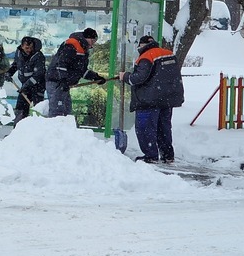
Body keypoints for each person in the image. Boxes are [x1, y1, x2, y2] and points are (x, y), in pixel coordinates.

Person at [117, 35, 185, 164]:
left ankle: (151, 155)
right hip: (167, 99)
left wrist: (125, 76)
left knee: (145, 128)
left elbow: (139, 78)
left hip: (149, 100)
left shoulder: (146, 56)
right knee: (163, 128)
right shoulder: (169, 54)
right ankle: (167, 155)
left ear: (142, 45)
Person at [45, 28, 107, 117]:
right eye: (93, 40)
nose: (93, 44)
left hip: (63, 84)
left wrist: (96, 77)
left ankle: (65, 129)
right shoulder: (71, 45)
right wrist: (63, 79)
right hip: (57, 82)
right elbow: (61, 64)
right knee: (57, 110)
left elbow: (81, 71)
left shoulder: (83, 50)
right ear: (87, 38)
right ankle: (54, 128)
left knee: (66, 109)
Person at [6, 36, 46, 124]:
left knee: (37, 110)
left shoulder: (38, 57)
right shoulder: (19, 53)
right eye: (27, 48)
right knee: (20, 109)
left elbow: (38, 75)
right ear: (22, 46)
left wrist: (26, 86)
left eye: (31, 48)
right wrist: (9, 73)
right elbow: (16, 64)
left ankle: (36, 130)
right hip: (25, 86)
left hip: (38, 87)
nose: (29, 50)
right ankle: (17, 131)